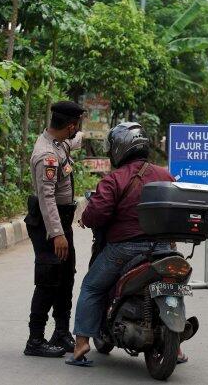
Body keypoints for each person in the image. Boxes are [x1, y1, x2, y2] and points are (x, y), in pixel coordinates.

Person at [68, 122, 175, 366]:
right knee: (171, 285)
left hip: (125, 249)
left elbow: (97, 214)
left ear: (120, 148)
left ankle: (81, 343)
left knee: (91, 287)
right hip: (163, 249)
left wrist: (86, 218)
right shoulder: (166, 176)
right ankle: (176, 349)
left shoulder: (116, 179)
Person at [24, 101, 85, 357]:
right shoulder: (46, 155)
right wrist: (57, 234)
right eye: (77, 125)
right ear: (69, 125)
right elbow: (47, 197)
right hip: (50, 224)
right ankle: (35, 340)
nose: (78, 129)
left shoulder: (60, 143)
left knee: (66, 277)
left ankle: (61, 331)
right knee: (49, 280)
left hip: (62, 220)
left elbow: (75, 141)